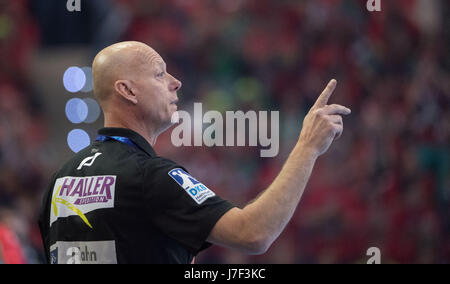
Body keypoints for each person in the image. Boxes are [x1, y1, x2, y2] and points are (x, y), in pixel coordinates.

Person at [38, 41, 351, 264]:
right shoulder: (151, 177)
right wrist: (308, 146)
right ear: (128, 90)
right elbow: (254, 233)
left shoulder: (60, 181)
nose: (176, 82)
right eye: (160, 74)